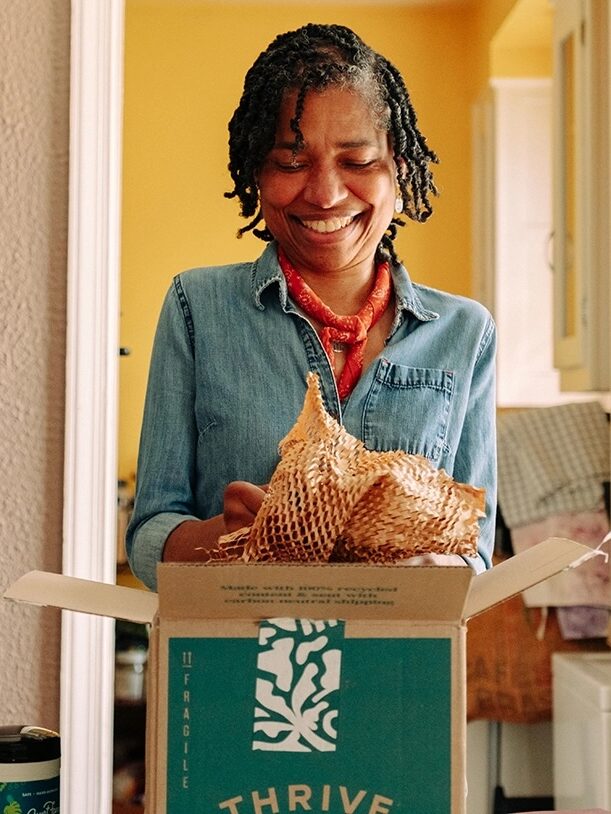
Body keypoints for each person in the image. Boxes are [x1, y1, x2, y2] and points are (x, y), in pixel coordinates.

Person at [126, 22, 497, 592]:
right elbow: (150, 535)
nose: (324, 193)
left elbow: (475, 553)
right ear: (256, 172)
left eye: (357, 160)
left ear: (398, 168)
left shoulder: (464, 333)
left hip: (399, 668)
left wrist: (432, 567)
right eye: (292, 163)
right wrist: (224, 536)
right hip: (238, 665)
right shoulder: (196, 308)